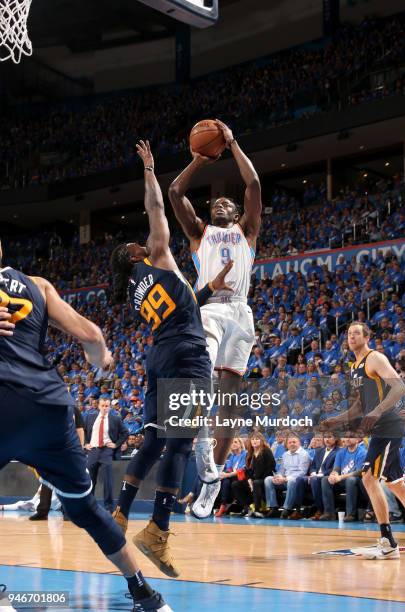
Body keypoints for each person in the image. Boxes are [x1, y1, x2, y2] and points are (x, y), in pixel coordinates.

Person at [0, 243, 171, 611]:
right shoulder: (38, 285)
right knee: (86, 509)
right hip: (48, 406)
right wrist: (102, 360)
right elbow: (93, 337)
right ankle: (147, 596)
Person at [110, 141, 233, 578]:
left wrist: (207, 288)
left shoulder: (133, 289)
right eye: (134, 243)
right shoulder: (157, 253)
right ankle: (157, 531)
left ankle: (121, 514)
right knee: (179, 443)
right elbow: (156, 207)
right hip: (185, 355)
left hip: (158, 356)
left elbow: (181, 306)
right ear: (135, 254)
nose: (139, 241)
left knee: (155, 440)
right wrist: (148, 170)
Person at [169, 119, 262, 519]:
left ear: (238, 212)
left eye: (227, 203)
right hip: (208, 307)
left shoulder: (247, 230)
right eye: (215, 203)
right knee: (199, 380)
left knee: (229, 405)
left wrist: (234, 142)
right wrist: (197, 161)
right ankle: (203, 456)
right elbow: (175, 192)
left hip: (241, 313)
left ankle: (212, 480)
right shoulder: (198, 233)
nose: (219, 203)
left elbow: (254, 185)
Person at [321, 322, 405, 559]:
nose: (351, 336)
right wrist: (335, 420)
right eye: (349, 333)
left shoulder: (375, 358)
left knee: (369, 476)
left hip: (388, 425)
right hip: (378, 429)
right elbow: (358, 406)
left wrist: (377, 411)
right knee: (395, 484)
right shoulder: (354, 367)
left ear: (367, 336)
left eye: (356, 333)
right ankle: (387, 540)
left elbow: (399, 388)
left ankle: (387, 539)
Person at [84, 397, 129, 512]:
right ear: (98, 406)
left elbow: (125, 432)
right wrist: (85, 443)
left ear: (110, 406)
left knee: (108, 481)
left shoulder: (115, 419)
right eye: (102, 405)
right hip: (93, 450)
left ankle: (109, 508)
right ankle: (88, 506)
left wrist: (116, 444)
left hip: (106, 451)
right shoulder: (90, 417)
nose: (104, 408)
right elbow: (83, 431)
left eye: (107, 406)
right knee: (89, 481)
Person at [320, 436, 367, 521]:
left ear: (358, 439)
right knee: (325, 480)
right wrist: (333, 475)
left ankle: (351, 514)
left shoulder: (362, 452)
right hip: (341, 480)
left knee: (351, 480)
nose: (347, 439)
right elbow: (337, 467)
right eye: (345, 437)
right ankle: (329, 513)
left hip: (356, 481)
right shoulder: (341, 452)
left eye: (351, 437)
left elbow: (358, 472)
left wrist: (340, 477)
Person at [264, 434, 310, 518]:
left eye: (294, 442)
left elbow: (302, 472)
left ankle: (287, 509)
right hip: (284, 479)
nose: (292, 444)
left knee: (291, 481)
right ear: (287, 445)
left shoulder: (304, 454)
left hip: (295, 480)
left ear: (299, 443)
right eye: (290, 442)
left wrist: (285, 479)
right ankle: (273, 507)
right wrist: (278, 476)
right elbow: (282, 470)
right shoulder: (285, 455)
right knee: (268, 479)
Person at [231, 433, 275, 518]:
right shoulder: (250, 453)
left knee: (256, 483)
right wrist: (249, 480)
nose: (254, 441)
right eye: (253, 439)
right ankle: (246, 508)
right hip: (254, 480)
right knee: (235, 484)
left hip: (265, 478)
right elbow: (248, 470)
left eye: (257, 439)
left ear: (261, 441)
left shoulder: (266, 451)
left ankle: (257, 510)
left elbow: (271, 467)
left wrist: (254, 480)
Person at [215, 437, 247, 517]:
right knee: (224, 481)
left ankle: (223, 506)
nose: (233, 444)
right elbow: (228, 469)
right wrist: (224, 473)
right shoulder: (232, 456)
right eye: (232, 442)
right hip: (231, 477)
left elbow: (241, 470)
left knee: (225, 480)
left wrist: (227, 474)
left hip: (242, 477)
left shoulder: (245, 453)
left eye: (236, 442)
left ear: (240, 444)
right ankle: (222, 505)